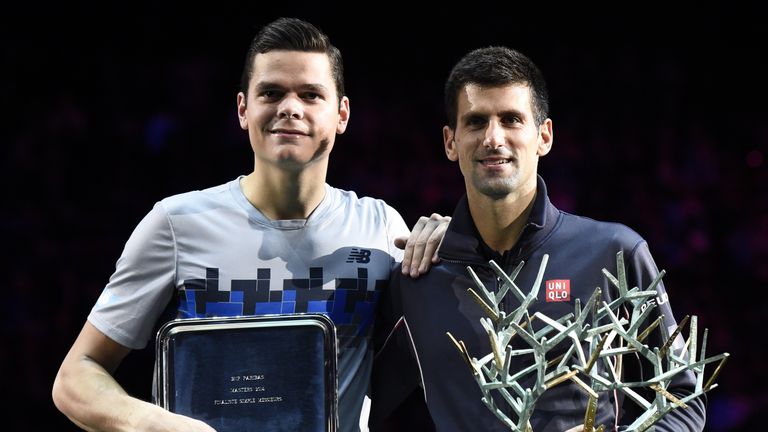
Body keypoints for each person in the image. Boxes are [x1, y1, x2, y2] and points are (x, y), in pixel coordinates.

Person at [51, 17, 449, 432]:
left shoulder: (382, 227)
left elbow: (446, 357)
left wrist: (455, 247)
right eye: (271, 93)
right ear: (244, 109)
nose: (290, 107)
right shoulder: (176, 223)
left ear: (341, 114)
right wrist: (155, 424)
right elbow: (76, 375)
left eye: (311, 95)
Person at [370, 46, 706, 431]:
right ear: (450, 142)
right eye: (476, 122)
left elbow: (682, 400)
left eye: (511, 119)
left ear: (543, 136)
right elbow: (354, 395)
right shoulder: (416, 278)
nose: (493, 138)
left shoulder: (614, 253)